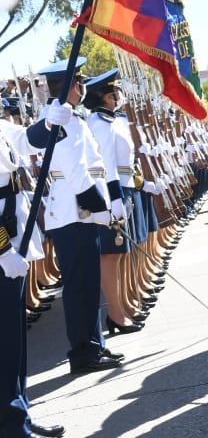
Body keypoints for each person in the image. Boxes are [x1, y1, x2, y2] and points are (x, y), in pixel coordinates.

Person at [25, 58, 123, 374]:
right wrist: (99, 209)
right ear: (71, 86)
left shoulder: (67, 116)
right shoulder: (61, 118)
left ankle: (93, 345)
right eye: (79, 82)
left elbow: (91, 167)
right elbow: (77, 171)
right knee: (80, 286)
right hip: (74, 211)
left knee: (87, 284)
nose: (83, 88)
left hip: (76, 210)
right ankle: (83, 352)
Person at [1, 114, 66, 438]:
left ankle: (20, 413)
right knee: (4, 342)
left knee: (14, 341)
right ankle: (11, 424)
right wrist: (2, 250)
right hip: (4, 251)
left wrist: (50, 121)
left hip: (14, 246)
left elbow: (27, 139)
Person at [82, 69, 142, 335]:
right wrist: (114, 199)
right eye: (115, 91)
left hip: (123, 190)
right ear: (106, 97)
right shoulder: (99, 122)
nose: (118, 95)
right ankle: (116, 315)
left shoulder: (112, 119)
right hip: (111, 194)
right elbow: (106, 165)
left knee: (118, 255)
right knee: (109, 255)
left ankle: (122, 310)